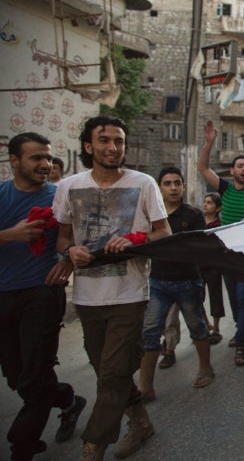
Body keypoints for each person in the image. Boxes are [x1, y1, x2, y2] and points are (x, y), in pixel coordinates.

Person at [54, 116, 172, 460]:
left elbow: (163, 233)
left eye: (118, 141)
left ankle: (93, 447)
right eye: (104, 140)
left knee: (112, 372)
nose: (112, 147)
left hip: (130, 294)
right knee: (110, 373)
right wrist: (68, 251)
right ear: (89, 147)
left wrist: (135, 242)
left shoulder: (144, 183)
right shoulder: (68, 186)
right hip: (87, 298)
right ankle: (140, 422)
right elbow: (61, 236)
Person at [1, 132, 85, 461]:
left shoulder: (59, 196)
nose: (45, 164)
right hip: (4, 295)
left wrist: (66, 259)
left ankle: (22, 446)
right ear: (14, 161)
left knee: (34, 374)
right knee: (17, 377)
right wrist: (11, 235)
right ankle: (67, 400)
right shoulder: (2, 196)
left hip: (43, 293)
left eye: (48, 158)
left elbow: (77, 236)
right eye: (36, 158)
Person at [138, 167, 215, 403]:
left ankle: (205, 369)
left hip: (188, 281)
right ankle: (145, 387)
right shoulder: (150, 215)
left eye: (177, 183)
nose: (173, 187)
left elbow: (200, 246)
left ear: (182, 186)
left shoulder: (192, 215)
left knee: (197, 327)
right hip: (158, 282)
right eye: (167, 183)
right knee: (150, 332)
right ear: (160, 188)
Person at [199, 120, 244, 365]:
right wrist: (209, 142)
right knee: (233, 297)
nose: (243, 170)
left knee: (241, 298)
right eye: (239, 166)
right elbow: (204, 167)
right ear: (233, 170)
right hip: (226, 255)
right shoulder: (225, 189)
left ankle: (242, 345)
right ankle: (240, 332)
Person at [201, 192, 225, 343]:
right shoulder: (198, 222)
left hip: (214, 265)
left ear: (217, 208)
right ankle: (205, 324)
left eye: (209, 202)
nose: (205, 204)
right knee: (197, 297)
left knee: (215, 296)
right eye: (205, 202)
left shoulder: (219, 226)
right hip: (198, 264)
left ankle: (216, 327)